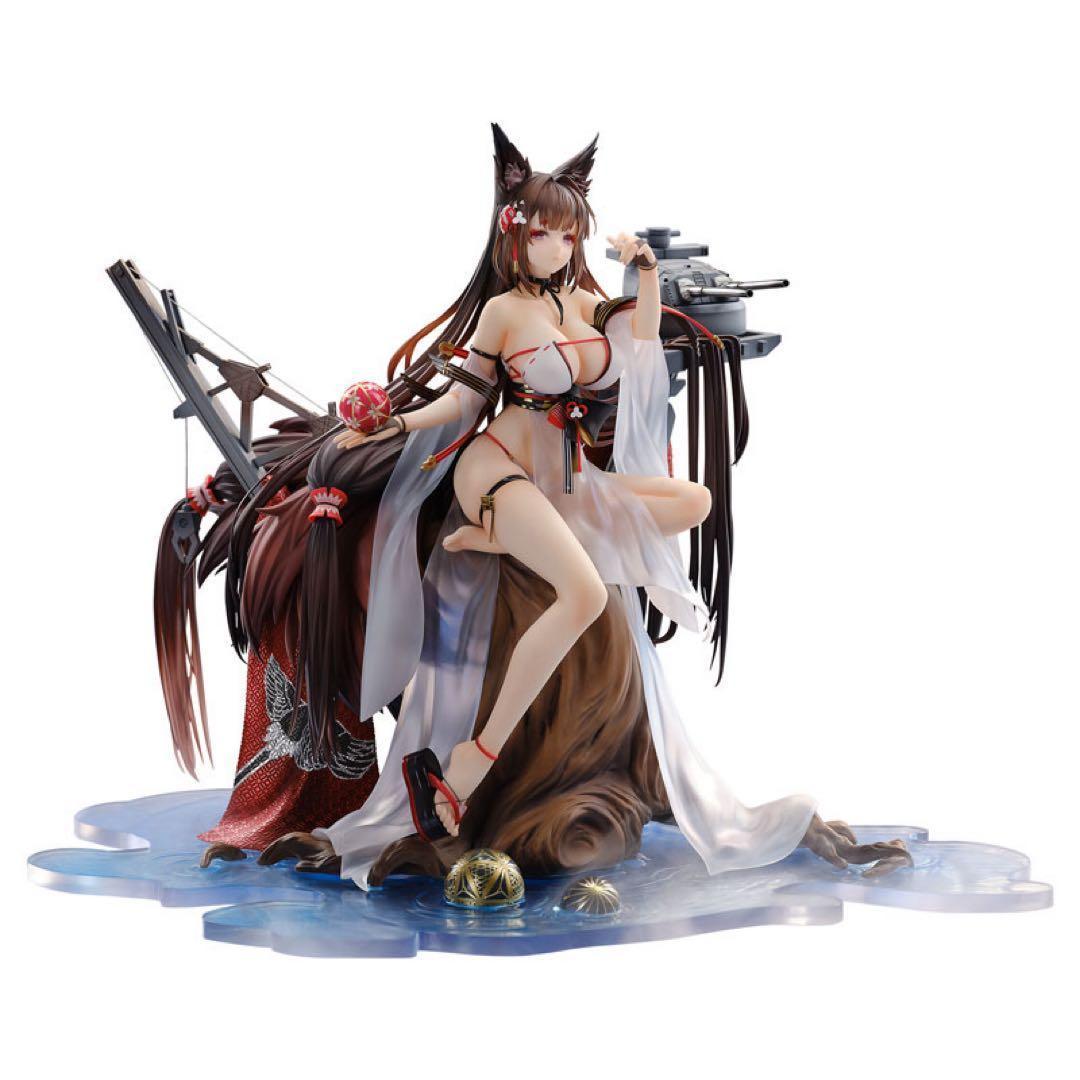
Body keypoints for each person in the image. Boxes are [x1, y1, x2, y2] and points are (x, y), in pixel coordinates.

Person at [275, 123, 823, 889]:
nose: (558, 248)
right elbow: (462, 405)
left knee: (693, 500)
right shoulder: (503, 312)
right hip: (497, 468)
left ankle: (503, 540)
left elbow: (642, 336)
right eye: (543, 234)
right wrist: (392, 423)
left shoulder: (587, 304)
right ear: (515, 235)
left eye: (569, 235)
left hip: (567, 483)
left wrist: (645, 270)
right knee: (586, 593)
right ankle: (468, 767)